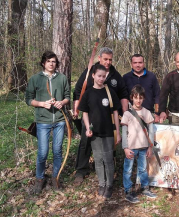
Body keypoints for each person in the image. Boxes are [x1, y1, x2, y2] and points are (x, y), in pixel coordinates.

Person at [72, 47, 129, 185]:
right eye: (105, 59)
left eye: (110, 59)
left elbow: (123, 95)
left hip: (109, 118)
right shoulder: (89, 72)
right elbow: (79, 90)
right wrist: (76, 110)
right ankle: (81, 170)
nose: (108, 62)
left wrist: (125, 114)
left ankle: (109, 170)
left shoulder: (116, 76)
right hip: (91, 116)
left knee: (110, 144)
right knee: (86, 142)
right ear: (99, 58)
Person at [25, 51, 70, 194]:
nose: (52, 64)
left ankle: (55, 178)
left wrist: (61, 103)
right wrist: (41, 104)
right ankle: (40, 179)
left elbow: (68, 96)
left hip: (59, 121)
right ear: (43, 63)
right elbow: (28, 99)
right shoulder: (35, 79)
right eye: (49, 61)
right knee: (43, 152)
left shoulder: (62, 78)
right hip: (42, 121)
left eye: (54, 61)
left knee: (57, 151)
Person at [77, 64, 121, 199]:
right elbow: (84, 112)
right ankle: (101, 184)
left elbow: (115, 113)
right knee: (98, 159)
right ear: (93, 76)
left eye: (104, 76)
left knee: (108, 159)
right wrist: (87, 128)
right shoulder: (88, 93)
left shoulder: (109, 92)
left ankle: (109, 185)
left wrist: (117, 132)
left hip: (108, 132)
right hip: (94, 133)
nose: (101, 79)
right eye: (99, 76)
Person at [121, 85, 157, 203]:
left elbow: (151, 131)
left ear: (144, 99)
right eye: (136, 98)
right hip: (131, 148)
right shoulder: (127, 114)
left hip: (143, 147)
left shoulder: (146, 113)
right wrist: (125, 148)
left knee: (142, 169)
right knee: (128, 170)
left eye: (140, 98)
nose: (138, 100)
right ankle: (128, 191)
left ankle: (145, 188)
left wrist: (150, 147)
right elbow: (124, 132)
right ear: (132, 98)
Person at [123, 54, 160, 122]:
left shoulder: (151, 77)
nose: (137, 65)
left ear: (143, 63)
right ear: (131, 64)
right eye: (135, 63)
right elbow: (123, 98)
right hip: (132, 114)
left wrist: (157, 113)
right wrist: (125, 113)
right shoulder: (126, 77)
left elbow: (157, 95)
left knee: (150, 132)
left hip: (149, 113)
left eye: (140, 62)